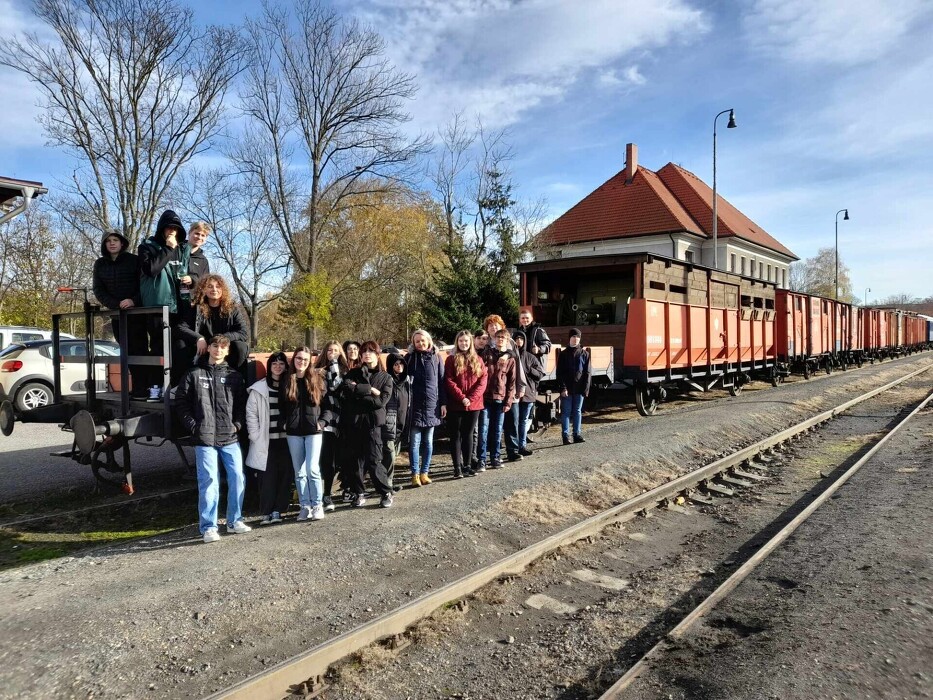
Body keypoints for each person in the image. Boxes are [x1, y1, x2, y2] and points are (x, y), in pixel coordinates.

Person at [176, 335, 250, 543]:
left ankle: (235, 521)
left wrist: (237, 425)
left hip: (230, 436)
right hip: (205, 438)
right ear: (208, 348)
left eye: (223, 347)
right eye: (215, 346)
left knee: (237, 478)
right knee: (209, 482)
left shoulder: (235, 376)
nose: (218, 350)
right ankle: (208, 527)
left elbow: (242, 406)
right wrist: (193, 426)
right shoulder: (194, 374)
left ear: (227, 351)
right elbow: (181, 403)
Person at [138, 209, 190, 396]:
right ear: (161, 229)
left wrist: (190, 280)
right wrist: (168, 249)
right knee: (159, 348)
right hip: (157, 307)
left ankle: (175, 388)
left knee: (180, 348)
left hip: (179, 307)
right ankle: (154, 387)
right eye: (169, 228)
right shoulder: (147, 246)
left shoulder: (183, 249)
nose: (172, 232)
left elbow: (186, 274)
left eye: (175, 229)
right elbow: (151, 269)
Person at [92, 230, 146, 397]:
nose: (112, 243)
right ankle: (135, 388)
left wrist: (133, 301)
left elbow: (144, 284)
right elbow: (98, 290)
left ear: (122, 243)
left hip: (137, 313)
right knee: (126, 351)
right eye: (108, 241)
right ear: (104, 245)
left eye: (115, 240)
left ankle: (143, 388)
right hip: (117, 315)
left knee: (140, 350)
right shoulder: (100, 264)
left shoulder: (134, 261)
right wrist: (115, 305)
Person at [341, 341, 395, 508]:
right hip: (355, 423)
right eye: (364, 351)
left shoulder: (385, 377)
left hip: (373, 425)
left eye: (371, 351)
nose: (367, 354)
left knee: (374, 460)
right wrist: (371, 390)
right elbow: (346, 391)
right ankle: (359, 493)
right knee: (355, 461)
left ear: (377, 354)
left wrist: (360, 391)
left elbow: (381, 402)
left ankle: (385, 492)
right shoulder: (353, 373)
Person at [280, 347, 331, 521]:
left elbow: (328, 407)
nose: (301, 362)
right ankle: (305, 506)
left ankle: (317, 505)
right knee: (299, 472)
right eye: (298, 358)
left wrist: (322, 422)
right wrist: (284, 423)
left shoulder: (317, 380)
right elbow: (280, 407)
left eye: (305, 359)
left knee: (312, 469)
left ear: (310, 361)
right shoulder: (287, 380)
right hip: (293, 432)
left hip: (313, 431)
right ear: (293, 360)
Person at [245, 352, 291, 525]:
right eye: (274, 364)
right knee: (267, 477)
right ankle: (266, 511)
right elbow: (251, 414)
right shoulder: (259, 388)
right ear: (269, 366)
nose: (278, 366)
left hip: (286, 440)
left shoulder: (289, 386)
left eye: (281, 363)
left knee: (285, 475)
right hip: (266, 440)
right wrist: (255, 435)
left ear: (286, 366)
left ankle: (279, 510)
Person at [177, 274, 250, 372]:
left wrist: (223, 339)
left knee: (240, 346)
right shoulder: (196, 308)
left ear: (223, 289)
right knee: (180, 344)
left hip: (224, 348)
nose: (214, 289)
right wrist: (198, 338)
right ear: (203, 290)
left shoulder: (232, 309)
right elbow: (181, 327)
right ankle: (182, 381)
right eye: (210, 286)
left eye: (218, 286)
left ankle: (238, 381)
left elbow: (243, 332)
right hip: (204, 349)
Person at [483, 314, 526, 463]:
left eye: (496, 325)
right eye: (490, 326)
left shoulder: (510, 342)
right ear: (487, 329)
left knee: (512, 420)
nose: (493, 328)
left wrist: (521, 386)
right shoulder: (487, 343)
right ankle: (493, 452)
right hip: (490, 391)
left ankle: (512, 450)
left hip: (508, 387)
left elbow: (516, 360)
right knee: (492, 424)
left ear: (502, 327)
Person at [444, 330, 487, 478]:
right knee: (455, 436)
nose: (464, 343)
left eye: (466, 341)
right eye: (461, 341)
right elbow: (449, 381)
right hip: (456, 404)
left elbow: (482, 381)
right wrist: (462, 398)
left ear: (471, 343)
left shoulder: (478, 359)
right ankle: (457, 467)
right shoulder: (451, 360)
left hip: (474, 405)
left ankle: (467, 465)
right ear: (457, 342)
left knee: (468, 434)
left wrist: (471, 398)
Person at [405, 329, 446, 486]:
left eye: (423, 340)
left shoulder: (436, 358)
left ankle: (424, 473)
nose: (420, 343)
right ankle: (414, 474)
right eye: (417, 341)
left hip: (432, 406)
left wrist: (443, 403)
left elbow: (442, 382)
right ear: (413, 343)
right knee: (414, 443)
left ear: (429, 341)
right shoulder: (409, 358)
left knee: (428, 442)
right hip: (414, 407)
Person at [314, 341, 348, 511]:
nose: (332, 353)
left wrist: (335, 365)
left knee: (336, 460)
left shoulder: (344, 371)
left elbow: (337, 385)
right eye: (329, 351)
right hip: (324, 420)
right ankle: (323, 495)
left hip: (341, 420)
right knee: (324, 460)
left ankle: (335, 491)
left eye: (336, 351)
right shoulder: (317, 371)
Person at [483, 328, 517, 469]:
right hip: (485, 397)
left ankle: (495, 458)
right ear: (494, 339)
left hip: (500, 398)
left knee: (497, 430)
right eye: (498, 337)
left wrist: (508, 401)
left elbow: (512, 382)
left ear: (507, 340)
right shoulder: (487, 353)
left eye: (503, 337)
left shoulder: (510, 359)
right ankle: (482, 459)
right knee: (483, 429)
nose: (500, 339)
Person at [517, 307, 552, 440]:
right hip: (521, 369)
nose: (525, 320)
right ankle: (522, 430)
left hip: (533, 370)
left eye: (527, 318)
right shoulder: (518, 332)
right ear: (520, 320)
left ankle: (526, 429)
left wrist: (539, 349)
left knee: (530, 401)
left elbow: (548, 345)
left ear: (531, 319)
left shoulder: (538, 330)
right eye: (522, 318)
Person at [556, 328, 592, 445]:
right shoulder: (563, 354)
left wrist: (585, 389)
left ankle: (577, 434)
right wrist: (562, 388)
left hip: (580, 388)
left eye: (577, 337)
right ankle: (565, 436)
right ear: (569, 338)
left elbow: (587, 373)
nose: (575, 339)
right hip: (567, 388)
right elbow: (559, 373)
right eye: (573, 337)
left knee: (577, 411)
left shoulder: (584, 354)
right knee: (566, 412)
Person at [512, 330, 545, 457]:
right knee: (513, 422)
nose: (519, 341)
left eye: (521, 339)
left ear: (525, 341)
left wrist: (529, 370)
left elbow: (540, 373)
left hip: (528, 395)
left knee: (523, 421)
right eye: (517, 339)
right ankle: (513, 447)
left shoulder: (530, 357)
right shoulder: (510, 356)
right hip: (514, 394)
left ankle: (522, 446)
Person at [383, 352, 410, 490]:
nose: (399, 366)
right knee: (389, 456)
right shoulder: (387, 380)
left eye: (401, 364)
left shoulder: (406, 382)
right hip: (389, 424)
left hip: (402, 423)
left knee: (394, 454)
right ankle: (387, 485)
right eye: (396, 364)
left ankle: (388, 483)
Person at [471, 329, 490, 471]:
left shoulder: (489, 353)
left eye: (485, 338)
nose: (482, 341)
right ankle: (470, 457)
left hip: (484, 396)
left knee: (480, 429)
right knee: (471, 429)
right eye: (480, 338)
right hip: (470, 397)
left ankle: (478, 457)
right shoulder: (468, 353)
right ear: (474, 338)